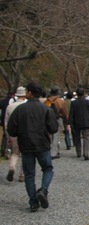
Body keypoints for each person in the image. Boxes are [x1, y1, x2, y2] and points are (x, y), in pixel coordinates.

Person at [7, 81, 58, 212]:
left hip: (26, 145)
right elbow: (53, 128)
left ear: (29, 93)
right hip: (42, 144)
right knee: (47, 168)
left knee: (29, 174)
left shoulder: (19, 109)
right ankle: (43, 190)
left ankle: (33, 202)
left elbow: (11, 130)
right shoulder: (46, 109)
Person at [4, 86, 27, 182]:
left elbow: (6, 122)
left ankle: (12, 168)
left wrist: (7, 135)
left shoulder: (10, 106)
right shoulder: (27, 105)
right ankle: (22, 175)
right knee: (25, 154)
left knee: (15, 153)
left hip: (13, 133)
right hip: (25, 133)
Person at [69, 88, 89, 160]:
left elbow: (71, 114)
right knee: (86, 138)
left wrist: (69, 123)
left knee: (77, 138)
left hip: (76, 122)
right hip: (86, 122)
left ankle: (78, 152)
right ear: (83, 94)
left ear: (77, 94)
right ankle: (86, 153)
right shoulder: (87, 102)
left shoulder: (73, 103)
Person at [44, 86, 69, 159]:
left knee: (50, 136)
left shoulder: (47, 101)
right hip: (58, 119)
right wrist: (66, 120)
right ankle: (53, 153)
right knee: (56, 136)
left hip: (48, 119)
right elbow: (64, 112)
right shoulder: (60, 101)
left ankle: (53, 150)